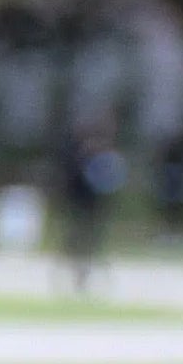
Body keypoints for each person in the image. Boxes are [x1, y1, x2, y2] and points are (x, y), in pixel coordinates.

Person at [58, 122, 120, 290]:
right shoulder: (80, 159)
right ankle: (78, 272)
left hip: (92, 207)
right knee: (79, 240)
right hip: (81, 205)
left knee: (89, 241)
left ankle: (83, 273)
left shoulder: (96, 160)